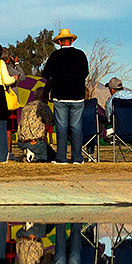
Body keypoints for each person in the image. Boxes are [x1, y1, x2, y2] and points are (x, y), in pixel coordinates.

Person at [42, 28, 89, 164]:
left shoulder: (55, 56)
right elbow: (85, 73)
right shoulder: (80, 55)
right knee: (76, 127)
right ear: (72, 40)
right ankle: (77, 158)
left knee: (61, 128)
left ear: (60, 42)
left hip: (60, 95)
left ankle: (61, 158)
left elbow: (46, 74)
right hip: (77, 96)